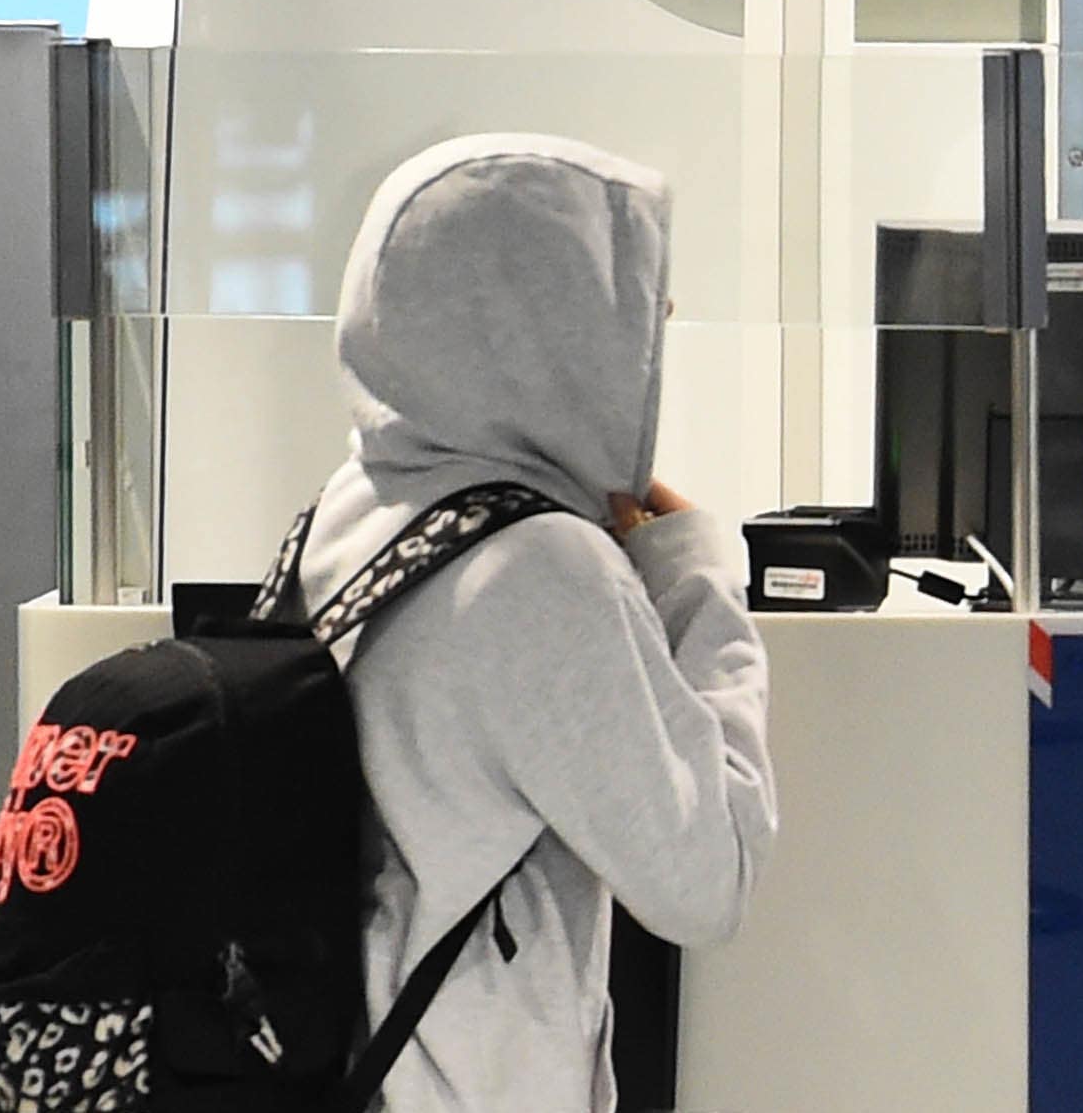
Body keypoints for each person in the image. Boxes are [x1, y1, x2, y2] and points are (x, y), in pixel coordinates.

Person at [296, 133, 777, 1110]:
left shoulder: (360, 504)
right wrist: (691, 575)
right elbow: (706, 877)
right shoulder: (539, 570)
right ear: (539, 330)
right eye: (632, 311)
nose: (655, 341)